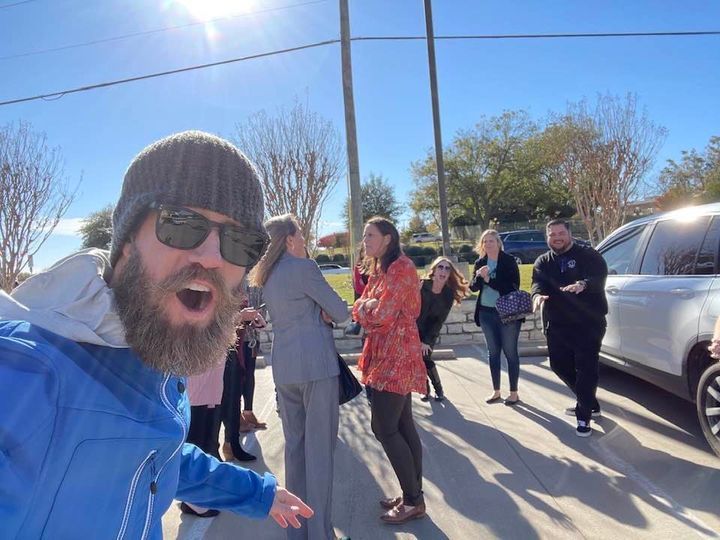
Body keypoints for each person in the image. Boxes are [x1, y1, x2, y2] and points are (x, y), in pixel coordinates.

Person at [0, 131, 312, 538]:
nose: (214, 257)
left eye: (240, 241)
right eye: (182, 225)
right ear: (127, 243)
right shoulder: (28, 374)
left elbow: (157, 455)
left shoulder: (155, 353)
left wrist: (253, 492)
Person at [249, 214, 348, 540]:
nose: (304, 239)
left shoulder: (268, 274)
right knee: (319, 454)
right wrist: (325, 313)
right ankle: (321, 534)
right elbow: (341, 312)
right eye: (301, 235)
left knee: (296, 452)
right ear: (289, 239)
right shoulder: (304, 268)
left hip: (286, 367)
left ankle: (299, 533)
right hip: (316, 368)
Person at [353, 216, 427, 525]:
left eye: (370, 235)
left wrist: (367, 307)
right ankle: (413, 495)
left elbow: (380, 315)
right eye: (365, 236)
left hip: (396, 356)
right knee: (403, 424)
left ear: (387, 238)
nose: (365, 241)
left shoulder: (402, 268)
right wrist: (366, 305)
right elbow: (360, 305)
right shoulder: (381, 268)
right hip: (384, 353)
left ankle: (412, 500)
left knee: (384, 427)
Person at [531, 219, 608, 437]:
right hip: (557, 324)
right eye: (552, 234)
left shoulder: (589, 255)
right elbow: (537, 282)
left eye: (561, 233)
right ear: (547, 237)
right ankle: (589, 401)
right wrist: (536, 296)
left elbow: (599, 277)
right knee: (559, 366)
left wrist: (583, 284)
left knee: (586, 368)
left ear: (569, 234)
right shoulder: (543, 261)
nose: (557, 237)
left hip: (588, 323)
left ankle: (583, 416)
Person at [470, 229, 523, 406]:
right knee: (493, 353)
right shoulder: (480, 262)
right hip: (486, 313)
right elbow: (473, 288)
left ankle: (514, 392)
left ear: (498, 243)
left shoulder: (508, 261)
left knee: (510, 352)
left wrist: (488, 279)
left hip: (507, 313)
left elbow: (512, 286)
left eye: (491, 241)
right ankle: (496, 391)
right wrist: (479, 277)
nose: (488, 244)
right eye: (485, 241)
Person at [417, 256, 469, 402]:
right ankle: (424, 390)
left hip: (430, 331)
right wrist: (415, 292)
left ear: (449, 274)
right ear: (433, 270)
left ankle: (438, 389)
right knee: (417, 360)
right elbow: (411, 307)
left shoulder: (448, 294)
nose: (443, 270)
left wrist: (427, 341)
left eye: (447, 268)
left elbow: (439, 321)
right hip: (413, 327)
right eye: (440, 267)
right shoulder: (422, 285)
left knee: (425, 357)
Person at [181, 361, 227, 517]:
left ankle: (200, 497)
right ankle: (192, 501)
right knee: (196, 441)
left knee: (207, 441)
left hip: (212, 375)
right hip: (198, 371)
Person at [221, 306, 265, 462]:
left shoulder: (234, 289)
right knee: (216, 404)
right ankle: (215, 449)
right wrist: (240, 316)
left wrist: (251, 319)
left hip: (235, 350)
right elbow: (214, 322)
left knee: (233, 399)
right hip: (216, 353)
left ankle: (232, 444)